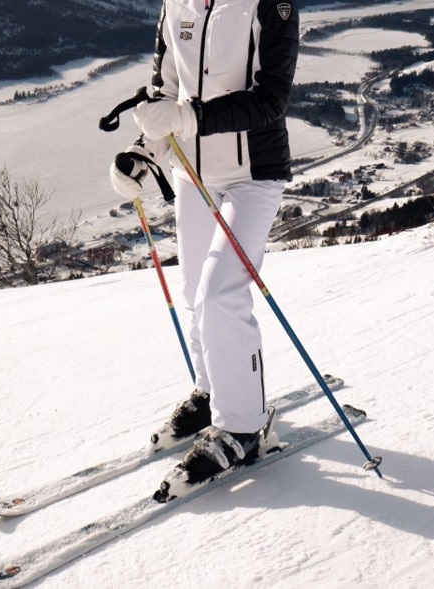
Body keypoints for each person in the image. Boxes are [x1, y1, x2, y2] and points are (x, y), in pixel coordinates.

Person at [109, 0, 299, 485]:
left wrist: (187, 118)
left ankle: (244, 429)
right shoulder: (177, 4)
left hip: (252, 174)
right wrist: (140, 152)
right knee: (195, 292)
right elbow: (163, 94)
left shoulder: (269, 6)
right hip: (192, 174)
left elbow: (271, 99)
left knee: (220, 294)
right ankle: (211, 391)